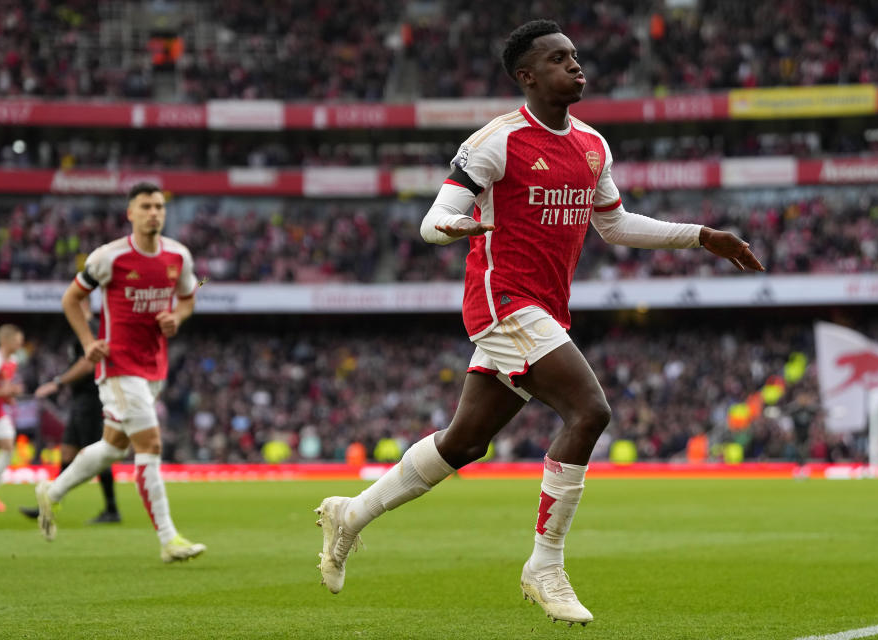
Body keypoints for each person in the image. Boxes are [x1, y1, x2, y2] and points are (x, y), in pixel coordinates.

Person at [314, 20, 764, 625]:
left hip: (545, 308)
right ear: (527, 76)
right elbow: (432, 220)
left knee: (465, 442)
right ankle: (544, 566)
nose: (576, 66)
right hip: (504, 303)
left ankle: (352, 513)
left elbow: (615, 224)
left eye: (575, 56)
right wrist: (453, 227)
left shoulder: (592, 145)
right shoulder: (494, 143)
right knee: (590, 410)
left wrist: (702, 236)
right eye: (559, 59)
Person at [35, 182, 206, 563]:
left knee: (114, 447)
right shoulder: (108, 258)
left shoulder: (178, 255)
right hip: (118, 365)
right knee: (151, 445)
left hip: (154, 366)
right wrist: (86, 341)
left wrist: (176, 317)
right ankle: (169, 539)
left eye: (159, 206)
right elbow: (71, 298)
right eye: (145, 206)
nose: (154, 213)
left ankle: (52, 492)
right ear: (130, 213)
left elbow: (189, 298)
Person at [19, 298, 120, 523]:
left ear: (82, 306)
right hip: (80, 400)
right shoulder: (82, 332)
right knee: (67, 452)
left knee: (99, 453)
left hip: (92, 399)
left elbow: (88, 363)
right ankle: (50, 504)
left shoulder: (91, 329)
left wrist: (58, 382)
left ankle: (112, 509)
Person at [0, 324, 25, 512]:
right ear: (5, 341)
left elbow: (4, 388)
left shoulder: (12, 361)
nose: (20, 344)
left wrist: (10, 394)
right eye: (17, 341)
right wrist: (5, 392)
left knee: (8, 446)